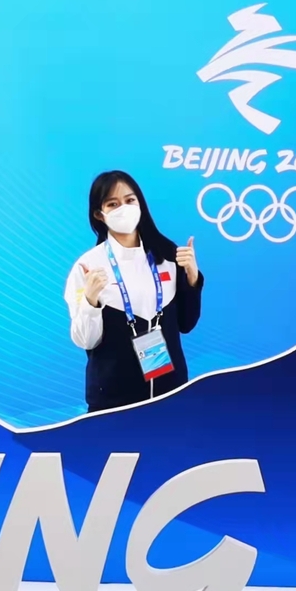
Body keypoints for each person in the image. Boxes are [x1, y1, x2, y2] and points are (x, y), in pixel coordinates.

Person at [64, 170, 204, 412]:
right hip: (113, 402)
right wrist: (90, 301)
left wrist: (192, 278)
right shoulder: (87, 266)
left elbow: (186, 323)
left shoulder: (167, 255)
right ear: (99, 214)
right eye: (113, 204)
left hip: (170, 394)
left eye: (130, 200)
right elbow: (85, 340)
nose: (124, 209)